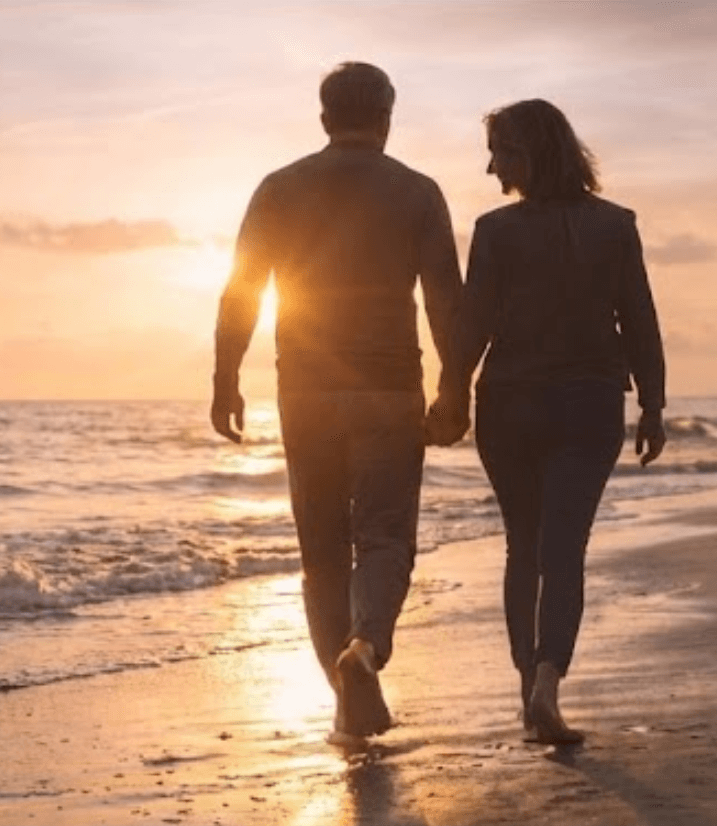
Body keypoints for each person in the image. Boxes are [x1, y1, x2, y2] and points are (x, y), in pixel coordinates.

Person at [210, 61, 465, 740]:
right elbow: (444, 296)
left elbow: (242, 291)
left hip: (304, 389)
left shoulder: (278, 188)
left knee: (321, 552)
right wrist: (456, 386)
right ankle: (365, 649)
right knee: (385, 538)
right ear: (386, 116)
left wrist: (224, 379)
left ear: (325, 120)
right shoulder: (417, 192)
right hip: (388, 389)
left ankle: (345, 692)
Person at [434, 98, 667, 744]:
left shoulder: (495, 231)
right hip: (590, 403)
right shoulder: (616, 225)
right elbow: (639, 318)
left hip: (510, 405)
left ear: (531, 152)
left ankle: (527, 691)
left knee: (524, 547)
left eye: (499, 152)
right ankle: (545, 686)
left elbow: (472, 328)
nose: (490, 168)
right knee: (563, 551)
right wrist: (652, 403)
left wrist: (451, 395)